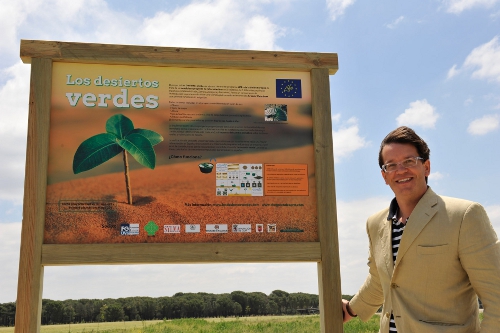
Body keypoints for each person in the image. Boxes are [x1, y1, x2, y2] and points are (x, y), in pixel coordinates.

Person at [342, 126, 500, 332]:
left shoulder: (465, 215)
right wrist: (351, 309)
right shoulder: (375, 223)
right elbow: (380, 281)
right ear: (384, 175)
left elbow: (496, 297)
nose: (401, 170)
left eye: (409, 161)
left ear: (426, 167)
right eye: (391, 165)